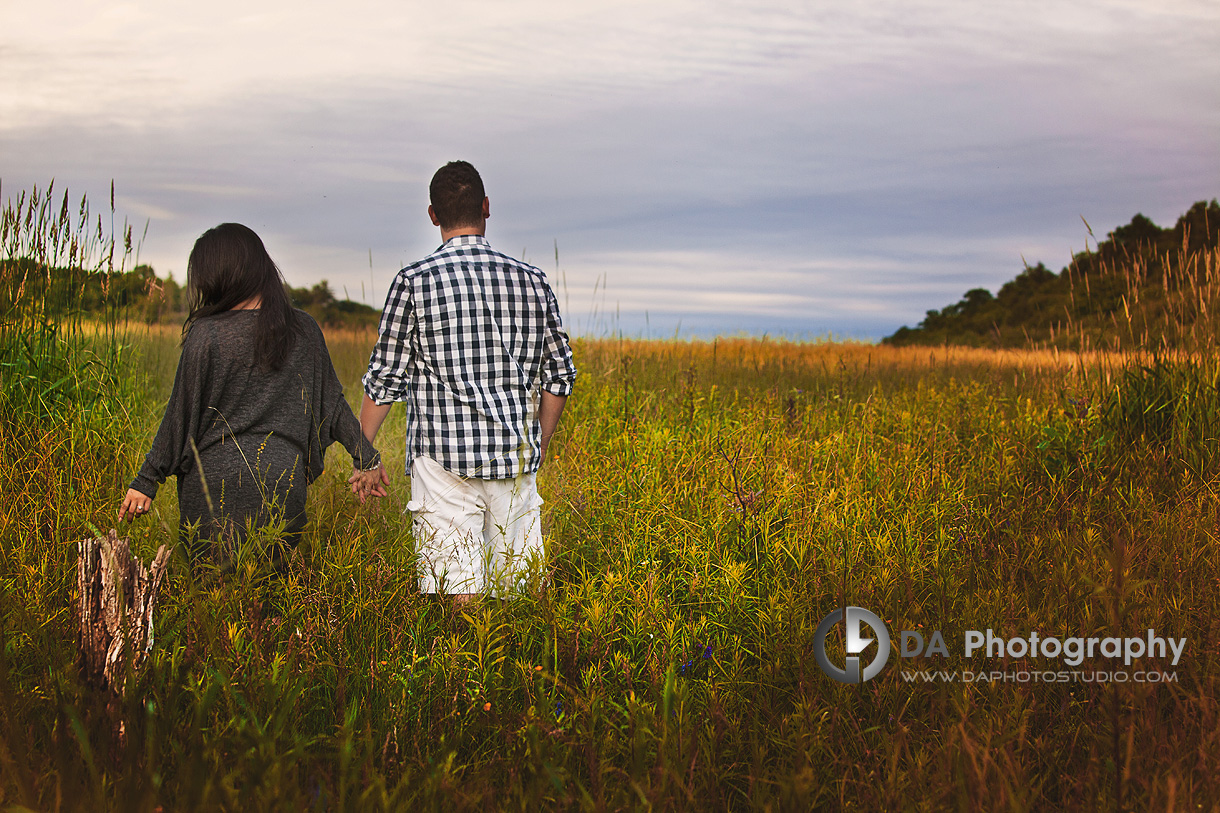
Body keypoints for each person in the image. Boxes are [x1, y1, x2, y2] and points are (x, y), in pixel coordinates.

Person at [359, 160, 577, 604]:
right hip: (513, 460)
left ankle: (461, 671)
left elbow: (385, 379)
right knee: (517, 596)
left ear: (433, 215)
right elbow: (559, 374)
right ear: (486, 207)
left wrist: (363, 454)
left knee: (455, 596)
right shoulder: (531, 281)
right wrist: (539, 440)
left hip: (442, 463)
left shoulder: (413, 283)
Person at [119, 223, 386, 564]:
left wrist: (146, 480)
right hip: (283, 483)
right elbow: (333, 408)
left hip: (213, 487)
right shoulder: (303, 328)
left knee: (216, 594)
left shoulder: (207, 334)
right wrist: (367, 459)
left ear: (216, 275)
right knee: (271, 596)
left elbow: (180, 415)